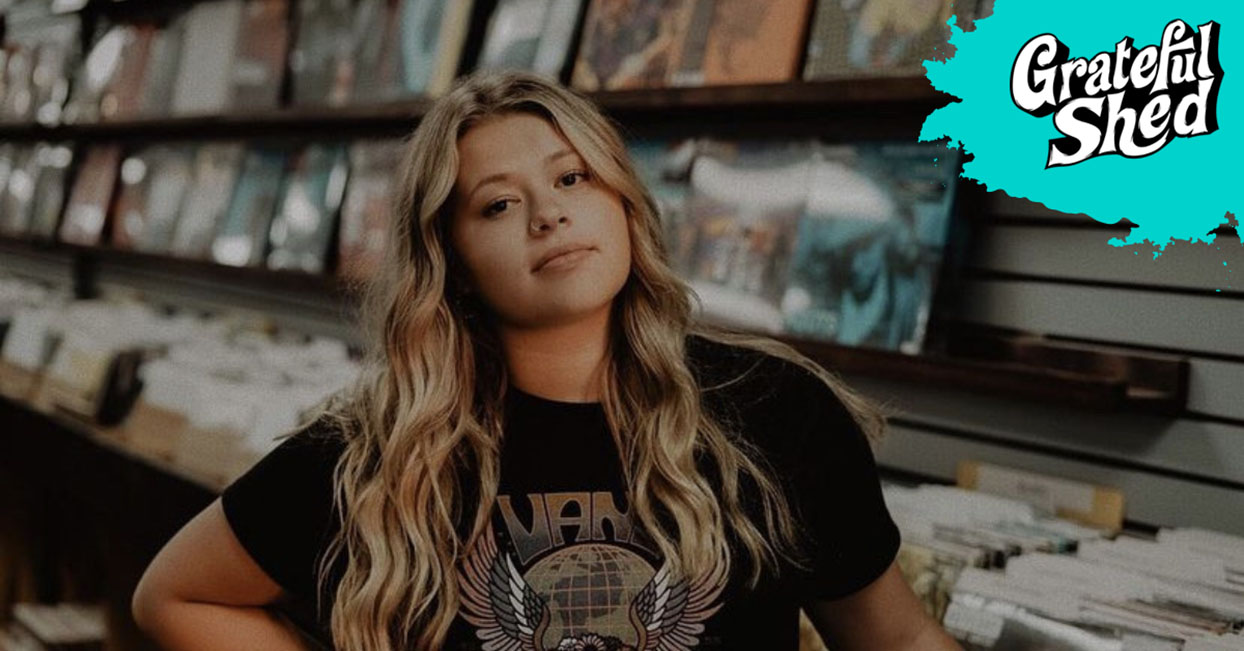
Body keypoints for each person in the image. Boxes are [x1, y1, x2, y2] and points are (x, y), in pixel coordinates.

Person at [131, 70, 961, 651]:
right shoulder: (385, 451)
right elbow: (174, 593)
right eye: (498, 203)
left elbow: (897, 636)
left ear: (624, 202)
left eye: (572, 178)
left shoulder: (776, 409)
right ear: (448, 259)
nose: (549, 215)